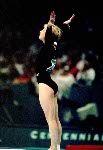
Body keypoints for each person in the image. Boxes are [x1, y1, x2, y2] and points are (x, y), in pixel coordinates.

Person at [35, 11, 75, 150]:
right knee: (55, 120)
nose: (40, 31)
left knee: (51, 120)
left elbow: (51, 33)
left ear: (47, 34)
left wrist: (51, 24)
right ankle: (57, 146)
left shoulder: (48, 47)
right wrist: (60, 25)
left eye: (43, 29)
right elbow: (55, 35)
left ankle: (53, 147)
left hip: (45, 84)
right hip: (51, 84)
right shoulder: (52, 45)